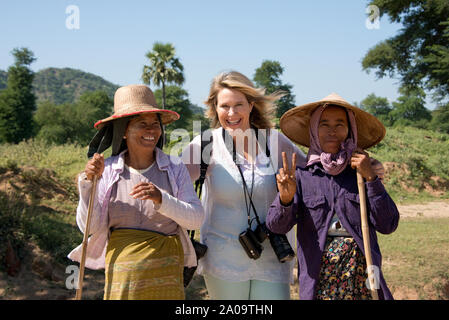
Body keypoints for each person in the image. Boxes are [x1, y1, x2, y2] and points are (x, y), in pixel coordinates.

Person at [68, 84, 204, 300]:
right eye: (142, 124)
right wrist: (88, 185)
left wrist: (162, 199)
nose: (152, 130)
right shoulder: (108, 170)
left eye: (155, 124)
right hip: (122, 275)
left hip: (166, 272)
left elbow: (195, 220)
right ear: (123, 132)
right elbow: (89, 227)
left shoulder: (174, 168)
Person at [181, 71, 306, 300]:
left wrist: (357, 164)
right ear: (214, 108)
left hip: (273, 256)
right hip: (222, 259)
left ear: (251, 105)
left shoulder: (274, 142)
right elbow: (171, 179)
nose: (231, 113)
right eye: (224, 105)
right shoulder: (206, 144)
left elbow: (316, 175)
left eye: (239, 104)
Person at [266, 93, 399, 300]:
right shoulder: (302, 177)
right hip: (320, 280)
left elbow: (388, 224)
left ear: (350, 131)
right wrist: (286, 199)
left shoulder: (362, 172)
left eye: (340, 124)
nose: (332, 131)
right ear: (313, 130)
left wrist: (371, 179)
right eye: (324, 124)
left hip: (362, 277)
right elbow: (276, 226)